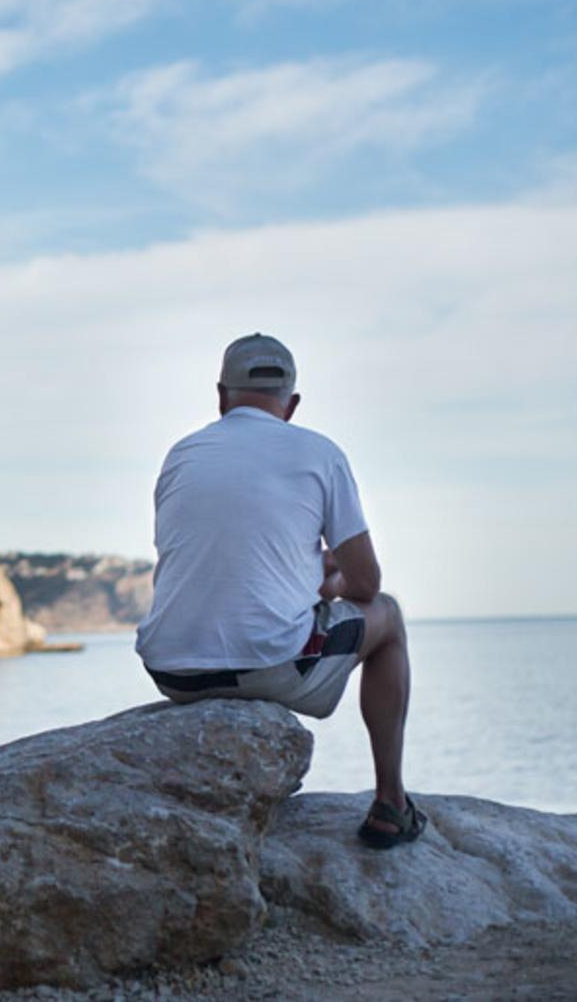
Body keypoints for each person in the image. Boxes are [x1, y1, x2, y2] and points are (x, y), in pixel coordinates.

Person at [133, 333, 424, 848]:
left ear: (222, 396)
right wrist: (329, 577)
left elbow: (228, 563)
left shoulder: (182, 454)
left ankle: (390, 800)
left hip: (172, 671)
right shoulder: (319, 452)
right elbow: (366, 585)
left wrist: (316, 572)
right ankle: (390, 804)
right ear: (291, 404)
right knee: (390, 617)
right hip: (266, 668)